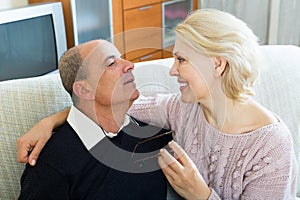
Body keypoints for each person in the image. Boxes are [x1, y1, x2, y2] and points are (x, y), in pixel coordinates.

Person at [17, 9, 298, 199]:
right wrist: (51, 120)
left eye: (181, 60)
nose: (172, 70)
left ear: (217, 64)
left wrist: (201, 195)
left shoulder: (271, 145)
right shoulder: (180, 110)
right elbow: (103, 111)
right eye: (112, 62)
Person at [18, 39, 173, 199]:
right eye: (112, 63)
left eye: (121, 58)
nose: (129, 65)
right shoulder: (52, 163)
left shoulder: (154, 134)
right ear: (84, 90)